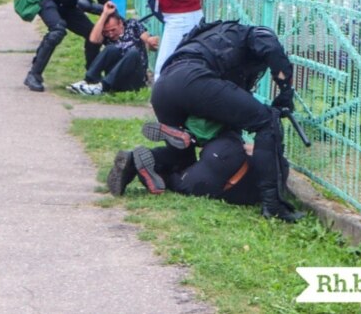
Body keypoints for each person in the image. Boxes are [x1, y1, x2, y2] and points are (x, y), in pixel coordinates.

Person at [130, 18, 303, 222]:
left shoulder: (209, 34)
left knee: (183, 160)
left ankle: (138, 161)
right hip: (194, 79)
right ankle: (273, 204)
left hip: (164, 87)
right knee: (267, 121)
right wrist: (285, 91)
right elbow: (269, 44)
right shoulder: (251, 34)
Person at [23, 0, 119, 92]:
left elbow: (105, 4)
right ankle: (34, 75)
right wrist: (105, 10)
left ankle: (92, 76)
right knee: (57, 30)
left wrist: (118, 19)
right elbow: (83, 3)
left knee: (94, 34)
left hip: (67, 6)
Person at [107, 130, 263, 207]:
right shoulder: (267, 188)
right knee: (174, 181)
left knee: (183, 159)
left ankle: (187, 134)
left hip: (229, 145)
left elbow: (255, 149)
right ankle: (141, 166)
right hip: (222, 175)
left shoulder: (272, 160)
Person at [69, 0, 158, 95]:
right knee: (111, 48)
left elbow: (146, 38)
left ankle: (102, 87)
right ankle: (89, 80)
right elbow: (93, 40)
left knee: (133, 53)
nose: (110, 34)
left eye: (113, 30)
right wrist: (104, 14)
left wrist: (150, 41)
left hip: (134, 77)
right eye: (107, 31)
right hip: (115, 78)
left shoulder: (132, 25)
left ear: (120, 23)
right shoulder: (106, 35)